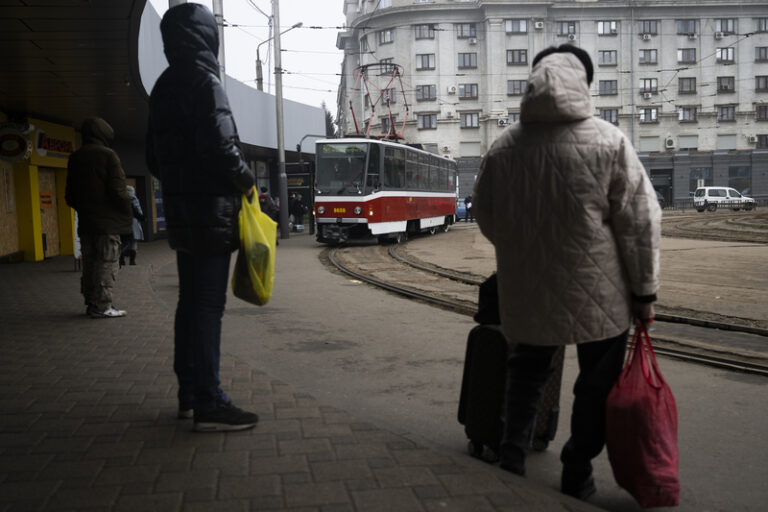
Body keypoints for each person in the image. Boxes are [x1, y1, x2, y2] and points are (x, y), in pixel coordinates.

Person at [473, 45, 661, 500]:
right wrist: (645, 293)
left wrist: (521, 252)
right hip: (602, 293)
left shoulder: (504, 147)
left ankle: (512, 457)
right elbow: (640, 222)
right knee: (596, 385)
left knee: (526, 371)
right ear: (585, 84)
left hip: (528, 289)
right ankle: (577, 470)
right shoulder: (610, 142)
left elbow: (486, 214)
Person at [146, 3, 259, 432]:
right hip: (212, 215)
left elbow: (153, 158)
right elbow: (222, 147)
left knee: (189, 303)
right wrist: (248, 182)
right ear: (208, 37)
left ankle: (189, 394)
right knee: (208, 307)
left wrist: (181, 183)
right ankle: (209, 403)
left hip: (181, 215)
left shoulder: (163, 85)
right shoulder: (205, 82)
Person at [65, 117, 132, 319]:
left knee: (90, 264)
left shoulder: (75, 157)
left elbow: (70, 196)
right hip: (107, 224)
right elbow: (119, 191)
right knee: (106, 263)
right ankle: (103, 306)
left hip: (86, 223)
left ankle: (91, 303)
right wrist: (127, 209)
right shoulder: (108, 155)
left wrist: (86, 209)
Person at [119, 185, 145, 266]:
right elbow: (137, 211)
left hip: (124, 223)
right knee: (133, 242)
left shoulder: (122, 199)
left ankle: (121, 259)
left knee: (124, 242)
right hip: (134, 223)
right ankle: (132, 261)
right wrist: (142, 218)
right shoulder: (134, 198)